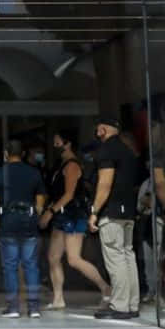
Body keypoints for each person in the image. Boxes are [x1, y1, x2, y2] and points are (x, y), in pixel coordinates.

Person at [90, 114, 165, 322]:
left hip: (112, 212)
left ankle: (120, 305)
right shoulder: (128, 152)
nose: (97, 133)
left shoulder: (106, 150)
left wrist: (94, 211)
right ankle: (132, 303)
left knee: (115, 258)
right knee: (127, 255)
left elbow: (104, 184)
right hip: (128, 212)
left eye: (98, 129)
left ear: (103, 130)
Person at [40, 130, 108, 311]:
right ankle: (58, 298)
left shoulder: (72, 165)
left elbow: (69, 194)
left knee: (73, 259)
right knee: (53, 257)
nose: (54, 145)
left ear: (68, 143)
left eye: (57, 141)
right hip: (61, 214)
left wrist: (50, 211)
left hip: (73, 214)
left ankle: (105, 288)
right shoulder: (60, 164)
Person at [0, 138, 46, 317]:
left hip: (9, 221)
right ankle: (33, 308)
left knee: (10, 266)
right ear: (23, 153)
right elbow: (41, 199)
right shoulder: (34, 172)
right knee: (31, 265)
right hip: (29, 222)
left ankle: (14, 307)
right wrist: (35, 214)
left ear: (6, 154)